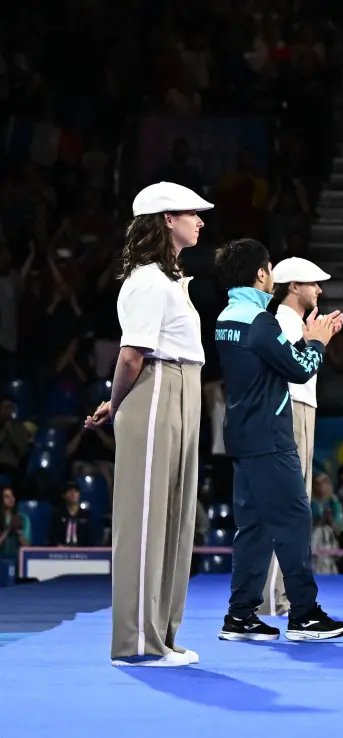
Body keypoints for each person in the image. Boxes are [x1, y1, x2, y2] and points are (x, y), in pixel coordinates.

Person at [87, 181, 211, 668]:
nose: (200, 220)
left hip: (181, 387)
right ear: (165, 219)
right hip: (158, 386)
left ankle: (162, 634)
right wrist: (116, 406)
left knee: (174, 518)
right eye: (192, 213)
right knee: (144, 518)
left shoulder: (169, 279)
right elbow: (132, 356)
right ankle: (136, 643)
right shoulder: (146, 281)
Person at [212, 238, 343, 642]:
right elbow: (300, 369)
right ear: (260, 275)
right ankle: (304, 614)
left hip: (240, 435)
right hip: (271, 437)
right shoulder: (260, 321)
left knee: (252, 527)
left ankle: (239, 616)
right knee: (293, 518)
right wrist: (318, 342)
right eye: (269, 267)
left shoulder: (225, 317)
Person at [258, 256, 332, 617]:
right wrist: (314, 342)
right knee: (288, 504)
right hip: (292, 410)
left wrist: (316, 339)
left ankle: (281, 594)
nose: (319, 289)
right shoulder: (282, 322)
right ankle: (273, 597)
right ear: (294, 286)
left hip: (304, 409)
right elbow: (293, 370)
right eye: (312, 282)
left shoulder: (295, 324)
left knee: (296, 504)